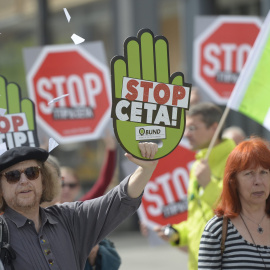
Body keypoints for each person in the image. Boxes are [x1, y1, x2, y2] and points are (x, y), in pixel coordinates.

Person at [0, 142, 158, 269]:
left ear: (43, 179)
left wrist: (146, 168)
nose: (24, 181)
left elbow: (119, 200)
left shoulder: (69, 217)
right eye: (12, 176)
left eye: (31, 172)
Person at [154, 102, 235, 270]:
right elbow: (197, 220)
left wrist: (208, 184)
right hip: (198, 264)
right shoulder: (199, 164)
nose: (185, 134)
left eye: (192, 128)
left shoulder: (237, 161)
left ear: (214, 128)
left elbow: (237, 210)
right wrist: (176, 234)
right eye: (185, 128)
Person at [198, 137, 270, 269]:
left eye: (264, 172)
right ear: (234, 182)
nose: (258, 181)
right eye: (249, 174)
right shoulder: (217, 229)